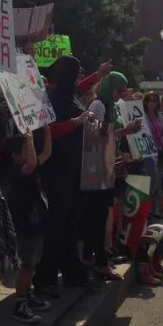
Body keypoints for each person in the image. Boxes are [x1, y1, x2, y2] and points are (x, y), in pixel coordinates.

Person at [33, 56, 112, 297]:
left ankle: (71, 273)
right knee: (57, 226)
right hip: (57, 173)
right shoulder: (49, 97)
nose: (79, 78)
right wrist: (76, 122)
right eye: (77, 73)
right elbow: (47, 130)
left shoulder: (69, 95)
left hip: (74, 171)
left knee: (69, 225)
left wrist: (97, 75)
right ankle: (45, 278)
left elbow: (80, 88)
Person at [0, 130, 53, 323]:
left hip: (36, 225)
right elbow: (33, 162)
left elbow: (46, 154)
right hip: (25, 225)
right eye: (25, 150)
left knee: (33, 264)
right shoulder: (15, 171)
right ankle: (20, 304)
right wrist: (28, 137)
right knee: (26, 265)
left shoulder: (29, 167)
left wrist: (47, 131)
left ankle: (27, 296)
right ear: (15, 156)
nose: (30, 153)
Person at [86, 72, 142, 276]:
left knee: (103, 213)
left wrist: (125, 132)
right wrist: (123, 132)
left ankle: (99, 257)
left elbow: (108, 137)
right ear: (109, 88)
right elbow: (93, 138)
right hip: (97, 169)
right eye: (119, 90)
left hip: (108, 166)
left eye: (124, 91)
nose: (121, 95)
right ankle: (98, 259)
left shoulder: (111, 107)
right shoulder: (98, 106)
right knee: (98, 214)